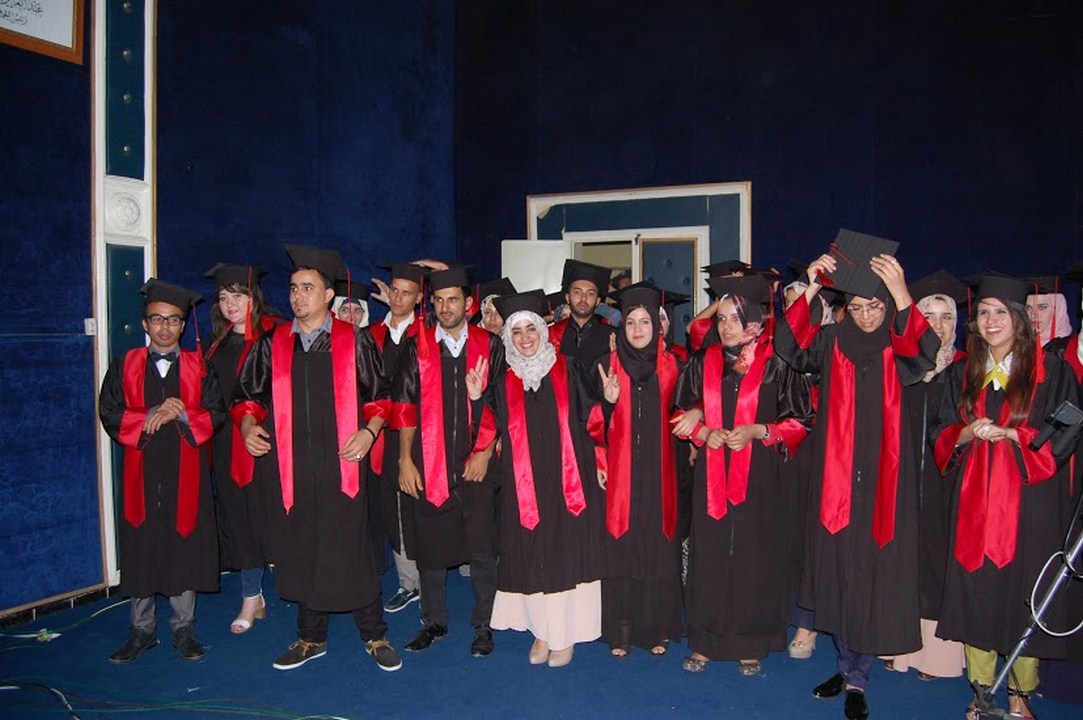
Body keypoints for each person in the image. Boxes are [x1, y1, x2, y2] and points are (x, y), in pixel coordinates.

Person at [773, 239, 939, 720]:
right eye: (859, 307)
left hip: (885, 484)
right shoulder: (831, 342)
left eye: (876, 307)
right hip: (837, 480)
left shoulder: (897, 345)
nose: (866, 316)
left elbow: (925, 354)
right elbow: (791, 345)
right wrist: (811, 286)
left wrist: (902, 293)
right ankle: (845, 666)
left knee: (870, 576)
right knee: (840, 573)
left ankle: (859, 678)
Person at [234, 244, 401, 672]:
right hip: (292, 465)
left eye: (308, 288)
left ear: (328, 295)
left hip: (344, 462)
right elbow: (247, 397)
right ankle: (311, 637)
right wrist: (249, 426)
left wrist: (369, 431)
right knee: (302, 543)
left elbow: (382, 397)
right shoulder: (273, 343)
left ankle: (374, 633)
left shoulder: (354, 340)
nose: (297, 295)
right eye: (293, 288)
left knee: (351, 544)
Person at [931, 273, 1080, 720]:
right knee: (976, 588)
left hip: (1031, 501)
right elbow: (940, 431)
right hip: (974, 499)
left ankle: (1020, 693)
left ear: (1018, 318)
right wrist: (966, 433)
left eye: (1000, 312)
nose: (991, 320)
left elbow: (1068, 430)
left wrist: (1016, 435)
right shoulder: (963, 373)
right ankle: (982, 690)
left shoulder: (1052, 372)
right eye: (983, 312)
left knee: (1025, 592)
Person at [672, 274, 813, 675]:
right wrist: (704, 432)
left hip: (760, 474)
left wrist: (759, 431)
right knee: (711, 551)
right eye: (721, 319)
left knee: (754, 553)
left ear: (754, 319)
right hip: (713, 474)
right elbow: (679, 412)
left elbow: (801, 420)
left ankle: (751, 641)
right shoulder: (704, 361)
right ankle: (706, 640)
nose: (726, 326)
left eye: (735, 318)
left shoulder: (778, 362)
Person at [474, 291, 606, 667]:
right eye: (516, 332)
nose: (525, 338)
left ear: (543, 331)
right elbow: (489, 430)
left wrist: (602, 460)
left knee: (565, 553)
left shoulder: (569, 368)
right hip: (525, 483)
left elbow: (594, 419)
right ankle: (542, 631)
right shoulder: (503, 381)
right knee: (531, 553)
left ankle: (564, 634)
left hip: (568, 479)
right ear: (508, 338)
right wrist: (476, 397)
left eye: (531, 329)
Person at [99, 279, 225, 663]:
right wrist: (153, 412)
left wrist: (182, 411)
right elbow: (109, 412)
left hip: (186, 469)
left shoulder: (199, 367)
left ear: (183, 325)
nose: (165, 327)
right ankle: (142, 630)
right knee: (142, 541)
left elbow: (216, 414)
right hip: (142, 468)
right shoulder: (125, 365)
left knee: (183, 539)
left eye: (173, 320)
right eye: (157, 319)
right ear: (145, 323)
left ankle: (183, 628)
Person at [392, 266, 501, 658]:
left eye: (453, 299)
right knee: (431, 547)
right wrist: (405, 460)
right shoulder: (417, 346)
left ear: (468, 304)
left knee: (482, 548)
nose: (445, 307)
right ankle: (433, 620)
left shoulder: (490, 344)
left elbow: (501, 401)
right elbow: (404, 406)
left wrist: (484, 452)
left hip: (478, 462)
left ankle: (484, 623)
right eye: (438, 300)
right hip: (430, 459)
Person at [882, 270, 967, 680]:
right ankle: (897, 644)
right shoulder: (903, 368)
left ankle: (938, 656)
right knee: (902, 556)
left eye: (946, 317)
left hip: (948, 482)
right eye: (928, 316)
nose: (937, 325)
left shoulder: (967, 370)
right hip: (902, 477)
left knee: (939, 559)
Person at [595, 284, 685, 659]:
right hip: (621, 474)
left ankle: (655, 629)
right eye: (630, 321)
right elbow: (591, 423)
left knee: (655, 546)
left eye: (645, 321)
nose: (637, 329)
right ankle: (622, 630)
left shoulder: (672, 366)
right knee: (623, 547)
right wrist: (607, 402)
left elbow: (684, 412)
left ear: (657, 326)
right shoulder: (608, 364)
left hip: (660, 472)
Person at [202, 263, 284, 634]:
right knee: (240, 518)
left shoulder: (276, 333)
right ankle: (252, 596)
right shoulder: (216, 343)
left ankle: (298, 586)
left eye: (238, 295)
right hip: (227, 443)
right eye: (223, 297)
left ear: (254, 297)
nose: (230, 304)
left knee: (275, 515)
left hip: (269, 439)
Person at [367, 263, 427, 613]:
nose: (398, 298)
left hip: (422, 432)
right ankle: (408, 582)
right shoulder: (371, 335)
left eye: (407, 292)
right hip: (382, 434)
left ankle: (429, 576)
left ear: (419, 298)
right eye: (394, 290)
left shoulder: (428, 332)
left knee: (422, 505)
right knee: (394, 506)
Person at [548, 259, 616, 367]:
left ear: (598, 301)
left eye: (590, 293)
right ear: (568, 298)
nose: (583, 298)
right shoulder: (551, 335)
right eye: (577, 292)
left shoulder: (613, 336)